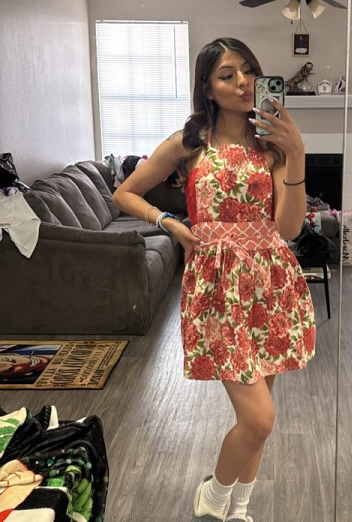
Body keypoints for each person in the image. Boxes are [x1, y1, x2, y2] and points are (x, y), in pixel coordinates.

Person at [112, 37, 316, 522]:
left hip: (271, 283)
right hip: (217, 287)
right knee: (260, 418)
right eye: (227, 75)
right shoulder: (190, 142)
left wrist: (297, 155)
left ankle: (239, 509)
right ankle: (214, 498)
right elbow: (125, 193)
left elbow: (289, 228)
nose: (243, 82)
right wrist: (169, 222)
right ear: (207, 87)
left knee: (257, 418)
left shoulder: (273, 143)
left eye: (249, 70)